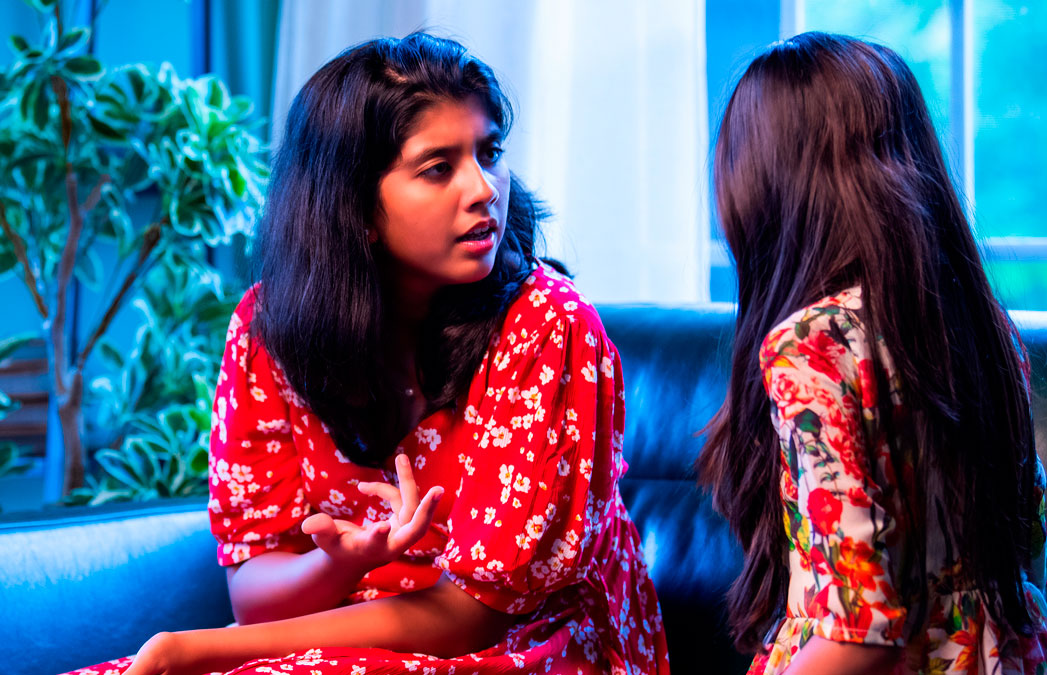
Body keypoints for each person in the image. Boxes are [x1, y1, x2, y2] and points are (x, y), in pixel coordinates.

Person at [62, 33, 668, 675]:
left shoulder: (549, 327)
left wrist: (200, 647)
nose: (484, 189)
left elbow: (476, 615)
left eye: (489, 154)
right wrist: (341, 562)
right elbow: (256, 596)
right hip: (325, 646)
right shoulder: (268, 331)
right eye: (439, 167)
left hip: (530, 647)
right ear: (355, 207)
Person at [696, 32, 1047, 675]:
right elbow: (1029, 556)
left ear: (765, 187)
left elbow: (862, 633)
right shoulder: (984, 330)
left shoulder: (811, 346)